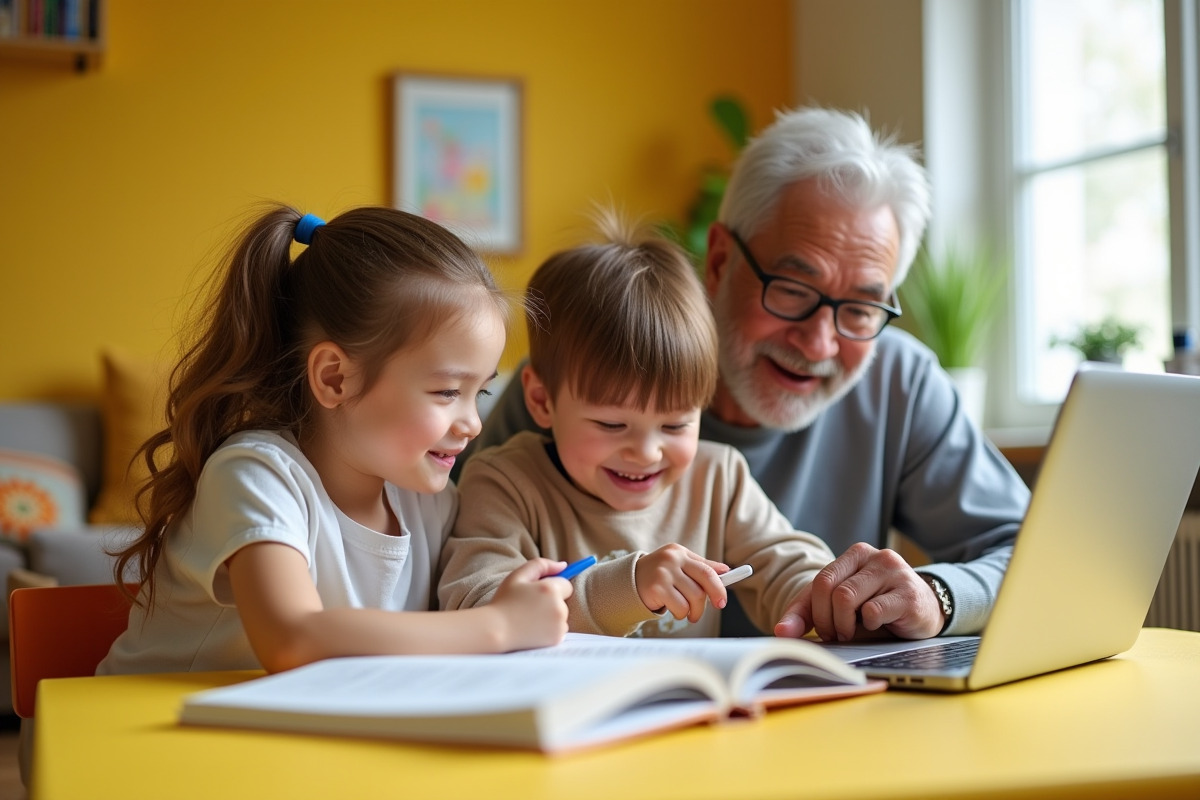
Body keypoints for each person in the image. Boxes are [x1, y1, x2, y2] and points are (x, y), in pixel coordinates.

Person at [457, 107, 1031, 643]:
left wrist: (879, 597)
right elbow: (467, 595)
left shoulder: (736, 465)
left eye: (859, 308)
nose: (819, 341)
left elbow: (787, 557)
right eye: (792, 289)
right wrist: (622, 585)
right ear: (721, 261)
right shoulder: (555, 403)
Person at [98, 204, 572, 676]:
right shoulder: (254, 474)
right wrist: (497, 626)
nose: (473, 423)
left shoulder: (430, 503)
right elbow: (292, 640)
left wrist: (509, 604)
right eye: (448, 391)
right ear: (334, 378)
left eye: (480, 391)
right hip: (140, 735)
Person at [438, 211, 835, 638]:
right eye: (611, 424)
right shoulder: (504, 484)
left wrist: (828, 597)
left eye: (676, 425)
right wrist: (629, 586)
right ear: (541, 400)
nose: (646, 453)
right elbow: (474, 605)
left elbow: (786, 561)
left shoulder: (719, 478)